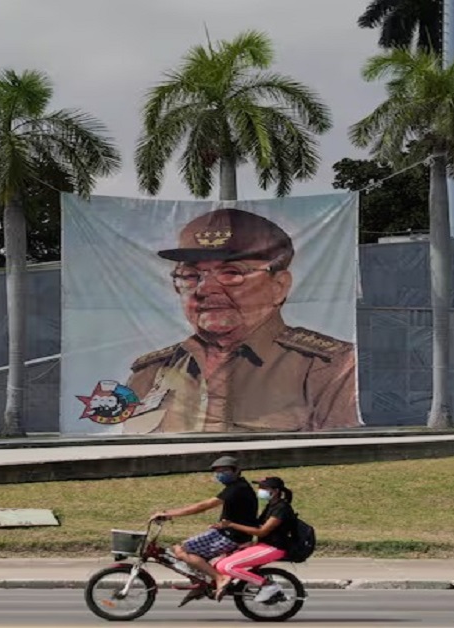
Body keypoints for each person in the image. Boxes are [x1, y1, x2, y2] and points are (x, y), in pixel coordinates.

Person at [122, 206, 361, 434]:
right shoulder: (150, 373)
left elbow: (338, 458)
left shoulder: (329, 368)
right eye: (191, 276)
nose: (205, 289)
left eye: (232, 273)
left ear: (279, 286)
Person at [149, 455, 259, 600]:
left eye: (224, 471)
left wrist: (169, 513)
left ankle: (219, 578)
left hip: (232, 535)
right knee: (180, 550)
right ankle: (199, 582)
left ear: (237, 471)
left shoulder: (237, 488)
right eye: (218, 472)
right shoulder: (236, 487)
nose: (220, 474)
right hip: (226, 531)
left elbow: (202, 506)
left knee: (182, 550)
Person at [211, 476, 297, 603]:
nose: (260, 490)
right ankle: (226, 583)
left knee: (228, 566)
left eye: (264, 488)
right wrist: (250, 543)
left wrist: (231, 525)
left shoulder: (281, 509)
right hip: (264, 545)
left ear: (276, 491)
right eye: (260, 487)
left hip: (275, 548)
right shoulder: (271, 506)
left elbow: (262, 531)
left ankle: (268, 585)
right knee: (220, 563)